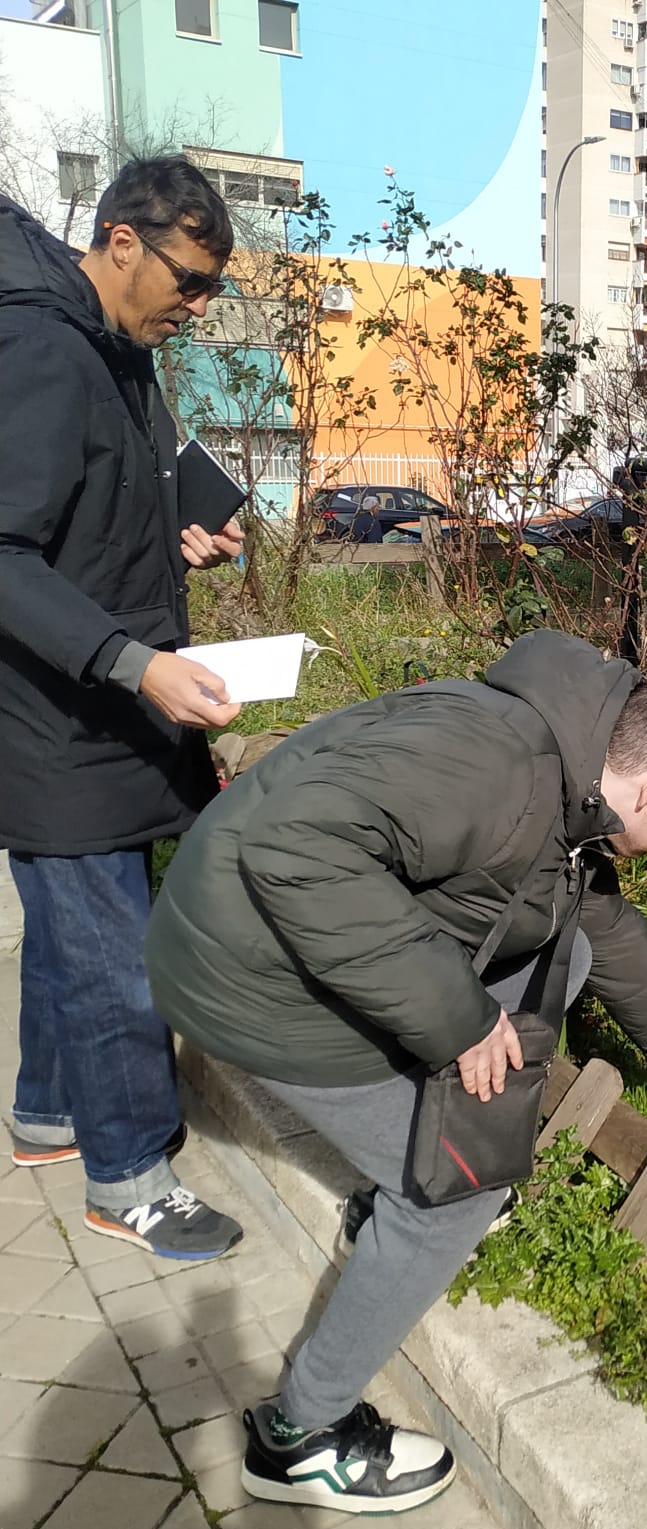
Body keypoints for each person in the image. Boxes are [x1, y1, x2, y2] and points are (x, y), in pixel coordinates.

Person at [145, 628, 647, 1515]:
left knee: (564, 957)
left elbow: (588, 914)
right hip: (251, 979)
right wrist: (460, 1019)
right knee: (457, 1196)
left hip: (281, 944)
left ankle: (402, 1153)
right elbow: (294, 848)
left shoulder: (566, 765)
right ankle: (301, 1436)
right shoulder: (491, 769)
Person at [0, 157, 246, 1260]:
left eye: (212, 290)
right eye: (189, 281)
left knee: (69, 940)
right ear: (122, 241)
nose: (197, 307)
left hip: (101, 707)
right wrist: (132, 662)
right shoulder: (41, 349)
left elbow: (88, 518)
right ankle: (130, 1176)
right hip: (55, 720)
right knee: (113, 958)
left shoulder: (120, 352)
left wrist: (184, 533)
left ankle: (49, 1113)